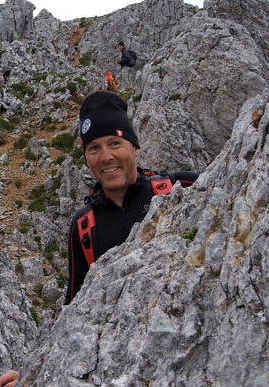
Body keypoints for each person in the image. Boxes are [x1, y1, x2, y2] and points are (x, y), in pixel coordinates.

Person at [65, 91, 198, 304]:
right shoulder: (82, 227)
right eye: (94, 148)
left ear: (135, 147)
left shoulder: (181, 188)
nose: (106, 157)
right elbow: (73, 305)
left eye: (115, 143)